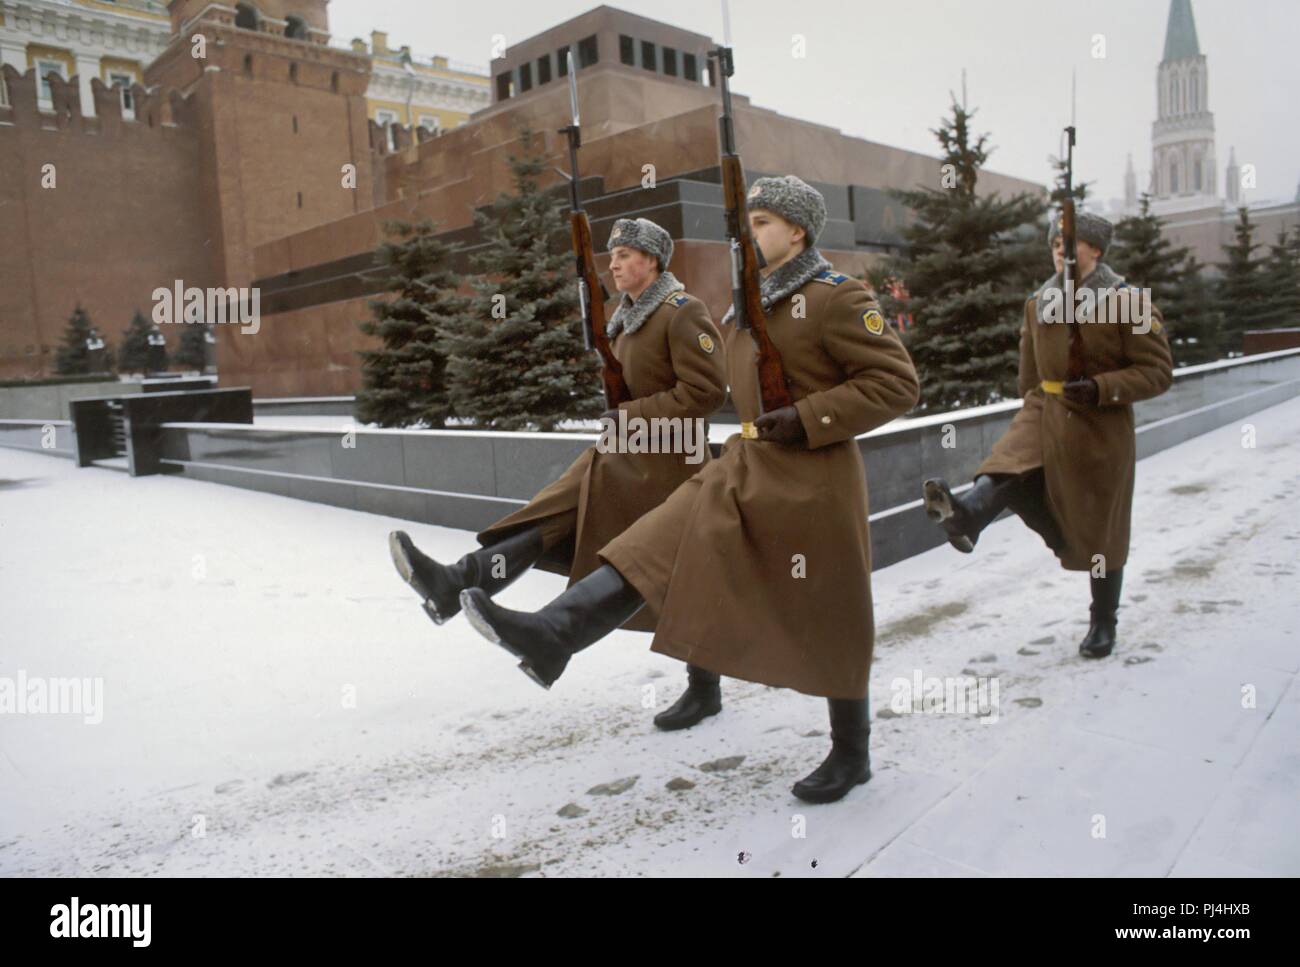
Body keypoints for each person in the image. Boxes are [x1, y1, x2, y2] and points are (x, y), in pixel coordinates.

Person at [460, 176, 920, 804]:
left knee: (831, 609)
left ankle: (851, 750)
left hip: (816, 477)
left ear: (798, 230)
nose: (751, 233)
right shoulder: (753, 300)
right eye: (749, 220)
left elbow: (896, 384)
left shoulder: (838, 297)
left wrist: (810, 418)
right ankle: (554, 633)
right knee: (655, 541)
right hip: (749, 459)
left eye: (762, 222)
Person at [390, 217, 727, 639]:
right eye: (612, 256)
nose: (614, 265)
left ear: (653, 260)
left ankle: (698, 680)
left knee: (681, 575)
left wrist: (630, 416)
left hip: (670, 461)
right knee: (546, 514)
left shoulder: (681, 312)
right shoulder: (625, 321)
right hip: (623, 453)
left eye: (624, 256)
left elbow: (707, 391)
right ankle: (457, 580)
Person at [922, 211, 1174, 659]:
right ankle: (966, 516)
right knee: (1006, 463)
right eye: (1056, 244)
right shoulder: (1039, 302)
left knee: (1101, 528)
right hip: (1046, 408)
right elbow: (1028, 374)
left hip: (1101, 422)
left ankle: (1103, 621)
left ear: (1095, 250)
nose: (1061, 250)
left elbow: (1157, 373)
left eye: (1070, 243)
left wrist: (1101, 387)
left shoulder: (1128, 301)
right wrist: (1032, 410)